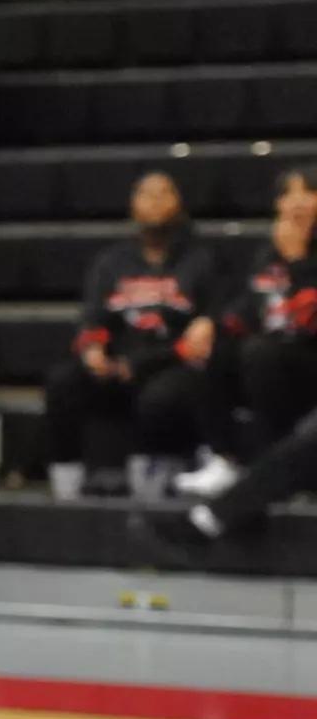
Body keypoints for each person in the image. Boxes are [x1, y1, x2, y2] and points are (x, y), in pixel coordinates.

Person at [44, 172, 219, 501]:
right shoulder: (111, 262)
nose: (154, 200)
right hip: (117, 361)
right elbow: (91, 318)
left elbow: (204, 333)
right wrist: (93, 350)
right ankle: (66, 480)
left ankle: (158, 476)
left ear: (179, 204)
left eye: (164, 192)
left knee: (162, 394)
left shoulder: (203, 261)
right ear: (132, 205)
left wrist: (137, 364)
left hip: (172, 362)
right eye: (145, 193)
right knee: (63, 381)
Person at [174, 165, 317, 500]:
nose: (296, 202)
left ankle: (280, 465)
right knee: (219, 348)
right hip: (279, 352)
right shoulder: (269, 252)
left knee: (260, 353)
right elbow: (251, 304)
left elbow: (309, 319)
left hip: (308, 353)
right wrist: (213, 325)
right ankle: (226, 459)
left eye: (308, 192)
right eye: (287, 194)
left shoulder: (292, 251)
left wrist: (297, 261)